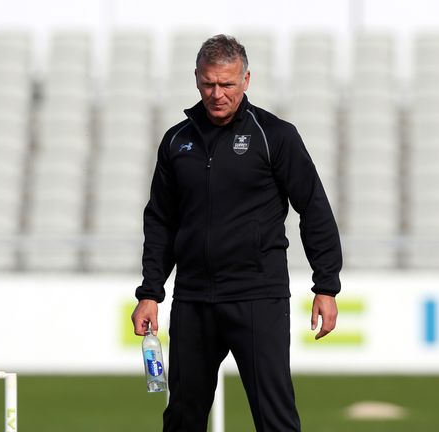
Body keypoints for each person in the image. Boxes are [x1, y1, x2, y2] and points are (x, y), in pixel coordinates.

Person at [131, 34, 342, 432]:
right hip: (193, 299)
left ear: (246, 80)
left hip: (257, 296)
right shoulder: (177, 141)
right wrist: (150, 292)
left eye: (227, 84)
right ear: (196, 78)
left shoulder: (275, 135)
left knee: (275, 419)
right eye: (209, 83)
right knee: (182, 418)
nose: (217, 94)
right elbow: (160, 221)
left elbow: (313, 207)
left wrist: (326, 285)